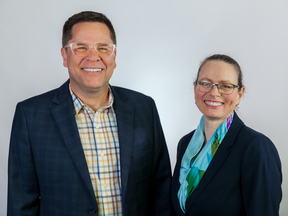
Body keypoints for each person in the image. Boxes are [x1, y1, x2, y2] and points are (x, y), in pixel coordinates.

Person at [8, 11, 173, 216]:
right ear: (64, 56)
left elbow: (162, 190)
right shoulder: (30, 116)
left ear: (114, 56)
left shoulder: (144, 107)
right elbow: (21, 202)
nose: (93, 57)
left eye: (103, 48)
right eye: (81, 48)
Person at [171, 54, 282, 216]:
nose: (214, 92)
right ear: (195, 87)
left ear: (239, 94)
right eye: (205, 83)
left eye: (225, 86)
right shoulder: (185, 144)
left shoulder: (256, 147)